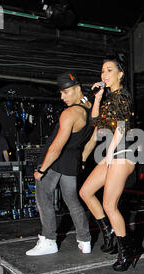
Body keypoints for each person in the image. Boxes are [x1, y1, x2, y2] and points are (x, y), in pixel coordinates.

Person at [26, 72, 94, 256]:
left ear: (77, 89)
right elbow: (92, 141)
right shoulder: (92, 111)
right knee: (72, 200)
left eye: (65, 92)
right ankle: (85, 240)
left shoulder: (70, 113)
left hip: (55, 162)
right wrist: (83, 160)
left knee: (43, 196)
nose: (62, 97)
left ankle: (48, 240)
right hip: (72, 161)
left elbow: (56, 147)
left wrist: (42, 169)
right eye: (61, 93)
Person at [79, 56, 137, 272]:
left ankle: (126, 251)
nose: (104, 74)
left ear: (120, 74)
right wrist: (98, 97)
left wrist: (110, 154)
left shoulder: (122, 96)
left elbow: (121, 127)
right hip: (115, 149)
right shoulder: (110, 97)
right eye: (102, 70)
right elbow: (95, 121)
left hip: (124, 150)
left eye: (109, 70)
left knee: (109, 204)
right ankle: (109, 232)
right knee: (86, 191)